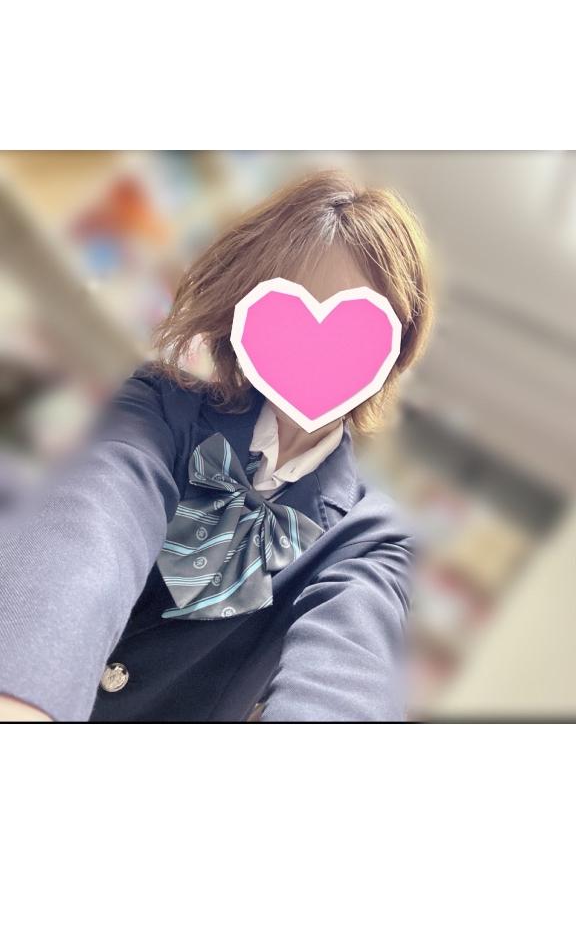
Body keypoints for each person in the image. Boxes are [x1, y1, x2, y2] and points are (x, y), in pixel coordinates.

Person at [0, 169, 432, 722]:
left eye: (358, 332)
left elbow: (349, 674)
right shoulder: (162, 405)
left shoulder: (372, 538)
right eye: (289, 307)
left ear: (393, 355)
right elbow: (95, 518)